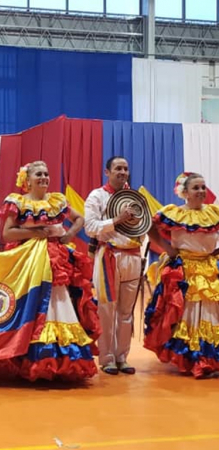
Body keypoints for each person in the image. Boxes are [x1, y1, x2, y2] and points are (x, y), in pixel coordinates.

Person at [0, 161, 100, 381]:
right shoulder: (18, 202)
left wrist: (70, 234)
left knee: (59, 300)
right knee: (31, 303)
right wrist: (36, 234)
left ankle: (61, 360)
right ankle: (31, 357)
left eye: (46, 173)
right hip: (28, 260)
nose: (44, 177)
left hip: (56, 258)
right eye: (38, 174)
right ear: (27, 179)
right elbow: (7, 233)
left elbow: (79, 218)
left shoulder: (57, 200)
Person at [145, 172, 219, 378]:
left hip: (210, 269)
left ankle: (210, 357)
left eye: (203, 187)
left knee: (210, 313)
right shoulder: (174, 213)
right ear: (184, 193)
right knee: (188, 312)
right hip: (185, 269)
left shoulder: (214, 212)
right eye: (196, 188)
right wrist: (167, 248)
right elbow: (150, 227)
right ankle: (192, 357)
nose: (201, 191)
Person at [84, 156, 142, 375]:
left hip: (132, 257)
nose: (123, 172)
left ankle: (122, 357)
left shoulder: (135, 197)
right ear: (107, 172)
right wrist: (116, 220)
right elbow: (90, 228)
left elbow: (143, 225)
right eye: (118, 168)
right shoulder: (97, 196)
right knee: (106, 309)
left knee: (126, 312)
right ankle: (107, 358)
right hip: (108, 255)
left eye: (126, 168)